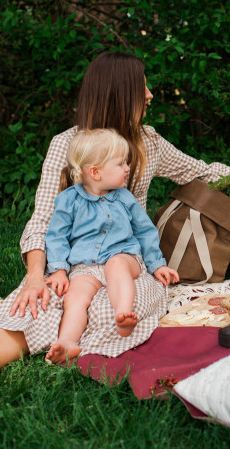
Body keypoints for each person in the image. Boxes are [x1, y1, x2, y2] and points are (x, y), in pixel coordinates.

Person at [0, 51, 230, 402]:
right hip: (74, 261)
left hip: (127, 262)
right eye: (142, 87)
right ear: (119, 93)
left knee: (114, 308)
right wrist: (35, 277)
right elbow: (44, 219)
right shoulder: (67, 145)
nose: (150, 95)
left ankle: (70, 342)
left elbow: (202, 171)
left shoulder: (148, 142)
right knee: (36, 303)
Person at [43, 128, 180, 364]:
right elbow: (56, 237)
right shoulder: (68, 201)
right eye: (120, 164)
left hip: (124, 257)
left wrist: (156, 264)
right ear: (95, 172)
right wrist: (58, 269)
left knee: (116, 265)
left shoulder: (125, 198)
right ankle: (67, 341)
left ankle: (123, 314)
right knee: (75, 296)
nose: (127, 168)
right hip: (86, 265)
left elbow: (145, 231)